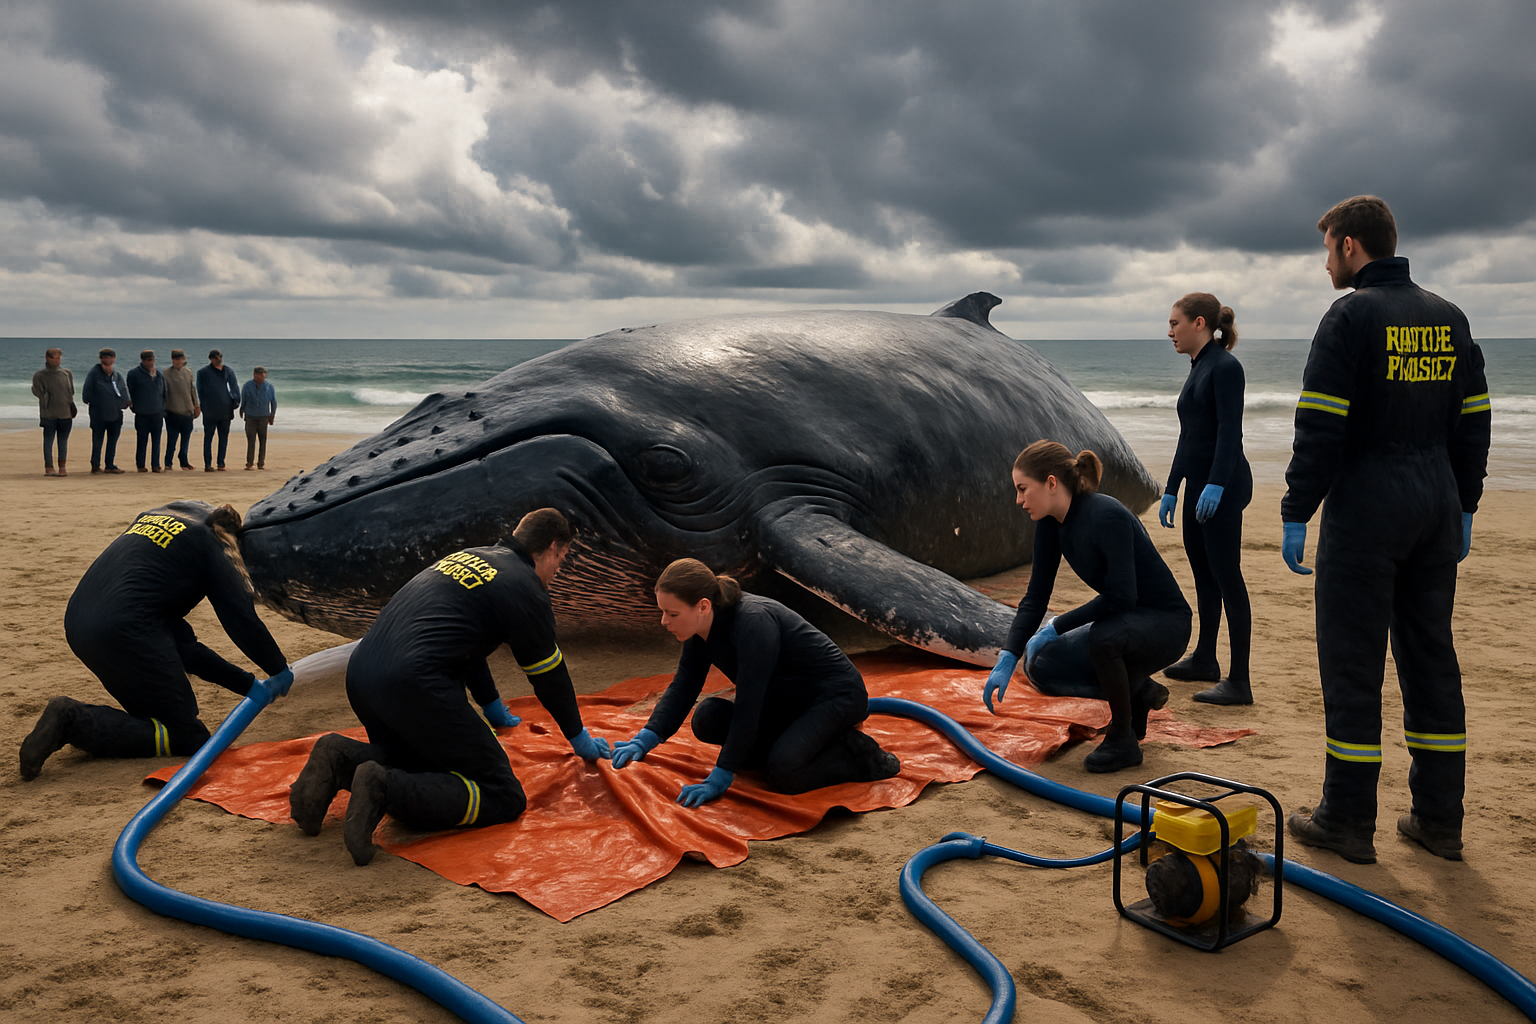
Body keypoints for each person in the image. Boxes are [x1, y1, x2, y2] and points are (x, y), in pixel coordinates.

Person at [1281, 195, 1490, 864]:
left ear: (1349, 246)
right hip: (1434, 504)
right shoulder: (1449, 318)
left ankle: (1346, 818)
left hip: (1367, 509)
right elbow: (1475, 420)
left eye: (1327, 249)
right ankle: (1439, 820)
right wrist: (1464, 505)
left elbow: (1321, 424)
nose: (1325, 264)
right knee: (1431, 660)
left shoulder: (1349, 317)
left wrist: (1296, 507)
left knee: (1353, 666)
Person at [288, 508, 611, 866]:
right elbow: (549, 674)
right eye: (562, 559)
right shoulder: (523, 585)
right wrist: (578, 736)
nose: (558, 570)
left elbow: (466, 647)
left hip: (364, 674)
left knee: (418, 762)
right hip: (414, 684)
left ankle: (341, 756)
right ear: (551, 548)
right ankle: (383, 788)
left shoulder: (470, 557)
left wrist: (490, 704)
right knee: (503, 795)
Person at [19, 501, 291, 779]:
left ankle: (80, 722)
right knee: (186, 736)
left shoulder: (166, 519)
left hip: (80, 622)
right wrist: (277, 668)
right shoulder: (211, 543)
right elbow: (239, 617)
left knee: (155, 716)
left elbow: (186, 649)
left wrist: (247, 685)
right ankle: (73, 721)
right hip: (126, 629)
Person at [609, 558, 901, 806]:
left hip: (834, 697)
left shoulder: (753, 623)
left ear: (702, 606)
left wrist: (723, 771)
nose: (664, 621)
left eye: (672, 613)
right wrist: (646, 737)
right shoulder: (700, 631)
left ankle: (858, 752)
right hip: (787, 699)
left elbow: (750, 703)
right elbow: (684, 686)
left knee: (784, 772)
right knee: (707, 718)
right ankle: (792, 745)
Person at [983, 441, 1192, 773]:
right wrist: (1007, 657)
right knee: (1042, 663)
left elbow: (1122, 597)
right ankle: (1138, 691)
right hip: (1127, 619)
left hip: (1166, 623)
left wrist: (1056, 626)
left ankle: (1123, 741)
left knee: (1103, 639)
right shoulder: (1050, 523)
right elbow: (1035, 597)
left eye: (1023, 489)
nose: (1018, 500)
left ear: (1051, 483)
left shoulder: (1106, 515)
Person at [1158, 293, 1255, 705]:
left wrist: (1216, 482)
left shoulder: (1226, 367)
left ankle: (1240, 681)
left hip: (1225, 485)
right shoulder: (1199, 367)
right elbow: (1190, 435)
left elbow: (1230, 433)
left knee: (1227, 577)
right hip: (1199, 484)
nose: (1170, 332)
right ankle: (1205, 659)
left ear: (1199, 323)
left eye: (1175, 323)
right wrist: (1171, 487)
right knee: (1203, 574)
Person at [81, 347, 129, 474]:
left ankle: (110, 464)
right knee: (97, 440)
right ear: (101, 358)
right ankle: (95, 465)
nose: (108, 359)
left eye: (110, 357)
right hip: (99, 415)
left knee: (113, 440)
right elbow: (86, 394)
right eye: (105, 357)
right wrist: (98, 403)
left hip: (115, 413)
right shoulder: (94, 374)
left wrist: (126, 403)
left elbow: (123, 390)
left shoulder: (116, 375)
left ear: (114, 359)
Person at [32, 347, 75, 477]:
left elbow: (71, 391)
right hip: (48, 414)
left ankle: (62, 466)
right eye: (53, 358)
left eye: (58, 358)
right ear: (47, 358)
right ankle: (49, 466)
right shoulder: (40, 375)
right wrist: (47, 398)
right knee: (48, 440)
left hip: (65, 413)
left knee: (63, 440)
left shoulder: (66, 373)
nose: (56, 361)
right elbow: (36, 391)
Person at [196, 349, 241, 472]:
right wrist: (202, 405)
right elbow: (200, 391)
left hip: (225, 409)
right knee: (208, 437)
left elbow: (234, 386)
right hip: (210, 410)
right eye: (216, 357)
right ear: (211, 359)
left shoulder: (228, 371)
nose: (219, 359)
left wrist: (236, 400)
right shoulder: (203, 372)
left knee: (223, 437)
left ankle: (221, 463)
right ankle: (208, 464)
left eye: (220, 356)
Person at [125, 349, 167, 473]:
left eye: (153, 360)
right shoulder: (134, 374)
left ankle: (156, 465)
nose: (152, 362)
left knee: (156, 440)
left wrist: (162, 407)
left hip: (157, 413)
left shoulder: (159, 374)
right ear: (143, 360)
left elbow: (164, 392)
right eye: (149, 360)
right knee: (142, 440)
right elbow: (130, 393)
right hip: (142, 413)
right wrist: (134, 407)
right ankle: (141, 465)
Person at [163, 348, 200, 471]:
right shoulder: (165, 374)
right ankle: (168, 462)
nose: (178, 361)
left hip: (187, 411)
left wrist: (196, 405)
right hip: (172, 412)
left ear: (183, 359)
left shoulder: (188, 372)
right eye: (176, 359)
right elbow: (163, 393)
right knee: (172, 440)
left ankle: (184, 462)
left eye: (180, 359)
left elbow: (192, 390)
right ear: (172, 360)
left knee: (185, 440)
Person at [240, 366, 277, 470]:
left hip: (264, 417)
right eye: (259, 375)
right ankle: (249, 463)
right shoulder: (247, 386)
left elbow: (273, 402)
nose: (261, 377)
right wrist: (242, 410)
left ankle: (261, 463)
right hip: (250, 417)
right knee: (251, 440)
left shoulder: (269, 387)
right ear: (254, 375)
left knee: (262, 440)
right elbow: (244, 399)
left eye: (263, 375)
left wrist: (272, 415)